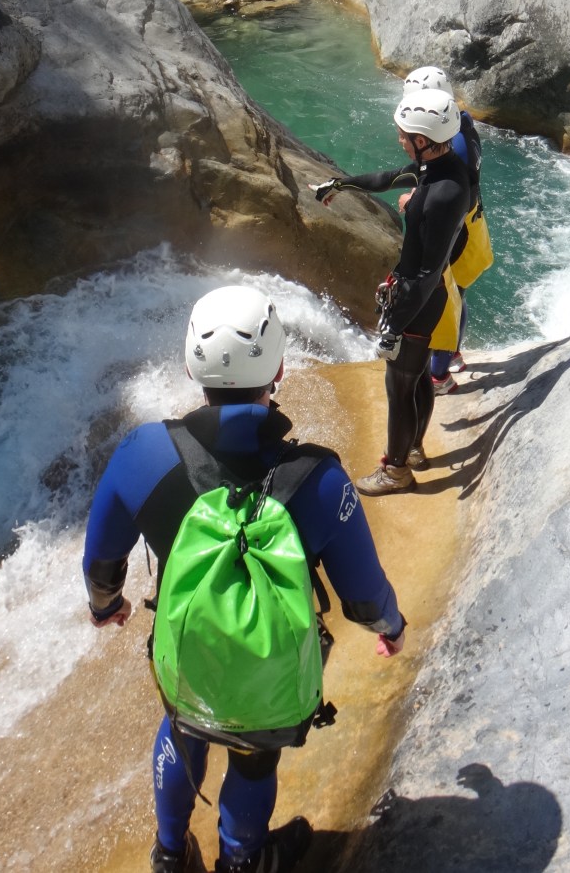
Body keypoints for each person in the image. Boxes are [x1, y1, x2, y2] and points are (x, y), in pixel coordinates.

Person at [83, 284, 406, 873]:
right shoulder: (320, 479)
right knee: (255, 758)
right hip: (270, 670)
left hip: (187, 653)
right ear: (280, 367)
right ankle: (243, 861)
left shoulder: (141, 453)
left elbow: (102, 561)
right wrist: (391, 624)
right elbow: (363, 595)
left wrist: (106, 604)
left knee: (184, 730)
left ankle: (169, 853)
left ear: (189, 365)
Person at [313, 89, 470, 492]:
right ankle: (414, 448)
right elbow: (389, 178)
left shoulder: (445, 192)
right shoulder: (437, 169)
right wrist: (342, 183)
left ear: (423, 140)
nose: (399, 140)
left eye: (404, 135)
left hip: (418, 298)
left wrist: (394, 326)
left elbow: (430, 271)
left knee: (400, 387)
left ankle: (396, 470)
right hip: (418, 295)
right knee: (414, 379)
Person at [401, 66, 485, 394]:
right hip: (469, 220)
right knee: (457, 291)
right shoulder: (460, 126)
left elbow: (446, 187)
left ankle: (439, 375)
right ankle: (452, 355)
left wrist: (415, 200)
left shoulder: (454, 144)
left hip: (456, 226)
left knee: (446, 295)